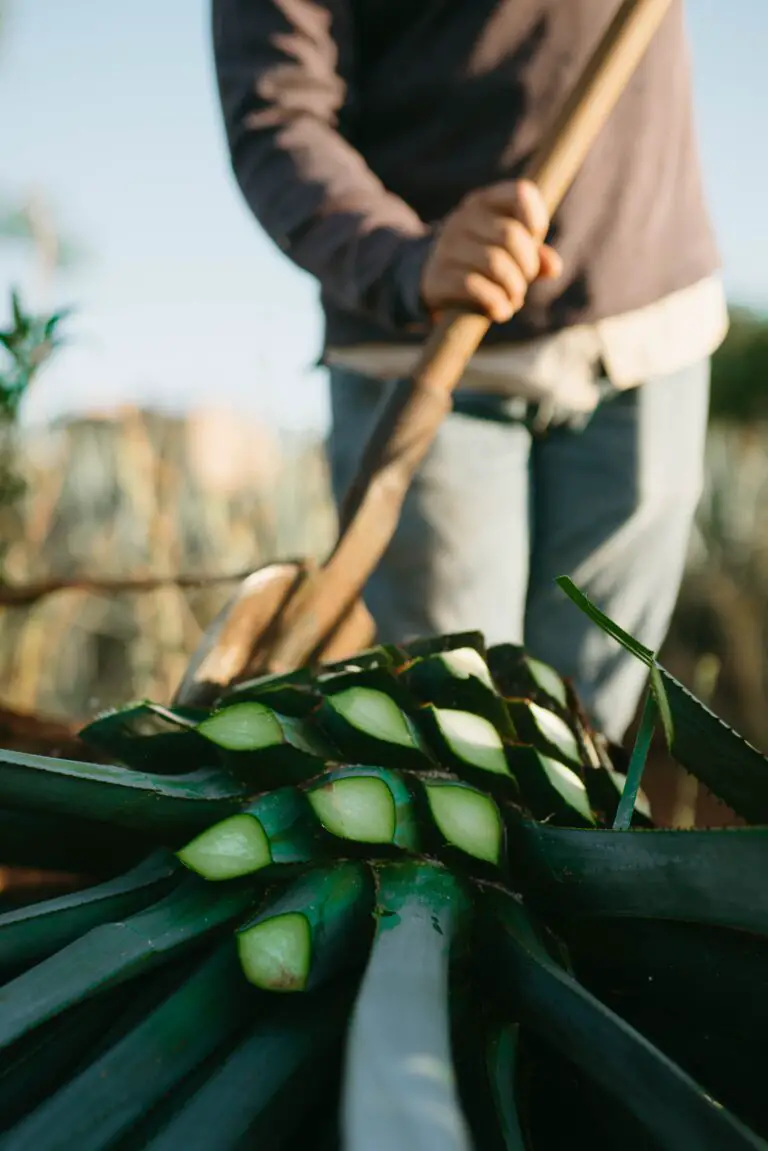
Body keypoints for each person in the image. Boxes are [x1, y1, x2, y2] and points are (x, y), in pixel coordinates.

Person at [212, 0, 727, 744]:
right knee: (456, 737)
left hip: (646, 323)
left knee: (593, 740)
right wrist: (401, 257)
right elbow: (275, 114)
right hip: (418, 356)